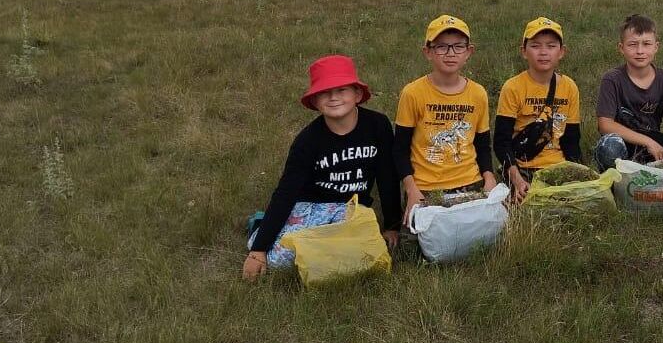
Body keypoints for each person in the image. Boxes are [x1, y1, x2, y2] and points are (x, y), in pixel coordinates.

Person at [243, 55, 403, 281]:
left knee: (367, 253)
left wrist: (392, 226)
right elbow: (286, 192)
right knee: (279, 259)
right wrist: (258, 250)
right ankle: (260, 227)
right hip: (311, 207)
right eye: (325, 92)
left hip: (351, 209)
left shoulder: (377, 125)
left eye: (342, 90)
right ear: (315, 101)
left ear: (357, 95)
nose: (334, 97)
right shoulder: (308, 141)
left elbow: (388, 176)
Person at [394, 15, 498, 210]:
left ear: (469, 52)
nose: (450, 53)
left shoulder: (478, 93)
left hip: (470, 182)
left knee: (481, 237)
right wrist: (411, 189)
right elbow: (399, 149)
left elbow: (483, 144)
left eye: (458, 46)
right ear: (428, 52)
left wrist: (489, 178)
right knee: (423, 240)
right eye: (441, 46)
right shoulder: (413, 93)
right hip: (425, 187)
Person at [494, 17, 583, 204]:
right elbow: (501, 143)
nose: (543, 52)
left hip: (558, 168)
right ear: (524, 51)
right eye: (535, 46)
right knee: (523, 206)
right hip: (523, 167)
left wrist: (577, 177)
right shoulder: (513, 87)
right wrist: (517, 180)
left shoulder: (569, 87)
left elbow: (571, 141)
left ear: (562, 52)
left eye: (551, 46)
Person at [593, 14, 663, 170]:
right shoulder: (612, 80)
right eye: (633, 44)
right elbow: (605, 125)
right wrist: (647, 142)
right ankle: (615, 186)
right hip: (621, 142)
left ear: (656, 47)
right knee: (609, 148)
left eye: (646, 44)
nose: (640, 51)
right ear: (621, 48)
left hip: (652, 144)